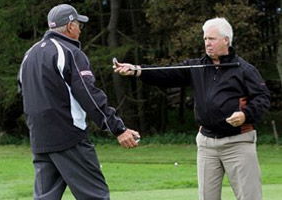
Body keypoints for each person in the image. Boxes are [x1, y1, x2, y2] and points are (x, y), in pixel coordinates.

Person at [113, 17, 270, 200]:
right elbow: (167, 73)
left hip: (238, 143)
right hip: (206, 144)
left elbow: (263, 98)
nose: (207, 43)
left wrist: (245, 115)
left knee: (249, 197)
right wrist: (137, 70)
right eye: (205, 39)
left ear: (226, 40)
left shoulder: (244, 69)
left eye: (212, 39)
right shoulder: (198, 66)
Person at [18, 4, 140, 200]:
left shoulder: (29, 55)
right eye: (78, 24)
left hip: (39, 139)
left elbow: (23, 91)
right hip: (69, 137)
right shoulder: (69, 52)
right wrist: (117, 128)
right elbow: (88, 94)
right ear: (69, 27)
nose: (80, 29)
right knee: (95, 195)